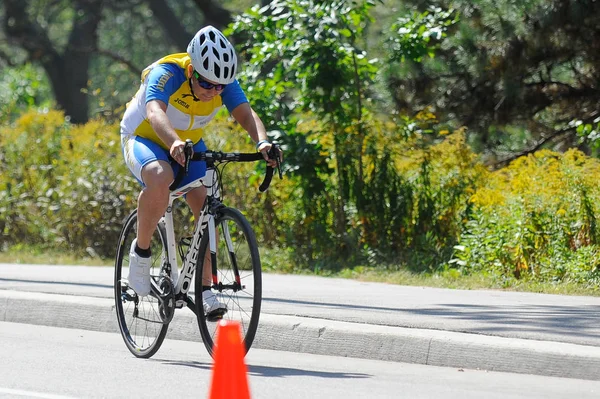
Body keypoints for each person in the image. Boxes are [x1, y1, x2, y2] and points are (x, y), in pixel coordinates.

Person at [119, 25, 278, 317]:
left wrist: (263, 142)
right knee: (160, 176)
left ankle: (204, 291)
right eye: (207, 85)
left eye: (220, 87)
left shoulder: (222, 82)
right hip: (144, 136)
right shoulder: (167, 73)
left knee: (204, 203)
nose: (214, 92)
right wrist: (174, 142)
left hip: (186, 141)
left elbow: (245, 113)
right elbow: (155, 112)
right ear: (191, 71)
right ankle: (140, 255)